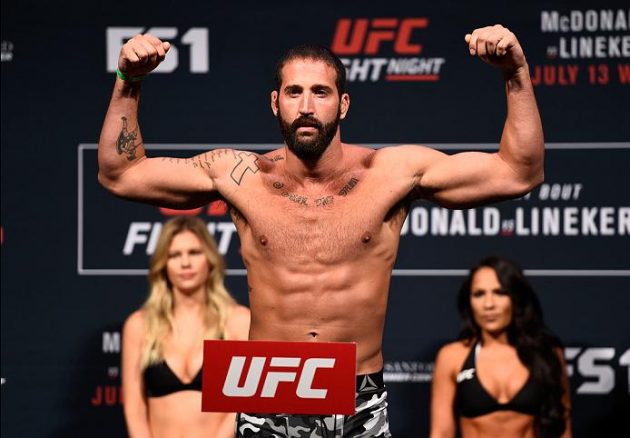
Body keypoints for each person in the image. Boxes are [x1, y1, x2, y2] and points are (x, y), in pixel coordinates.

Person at [100, 24, 544, 437]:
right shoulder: (238, 174)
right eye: (294, 92)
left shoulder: (391, 173)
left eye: (321, 92)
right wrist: (128, 81)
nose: (307, 106)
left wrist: (516, 73)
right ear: (275, 103)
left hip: (358, 395)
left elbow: (517, 172)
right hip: (266, 391)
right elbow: (121, 174)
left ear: (343, 103)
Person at [121, 215, 250, 438]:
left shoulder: (238, 321)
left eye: (194, 252)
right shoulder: (139, 325)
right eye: (174, 255)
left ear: (209, 258)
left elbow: (243, 403)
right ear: (163, 263)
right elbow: (135, 408)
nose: (185, 263)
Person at [429, 256, 572, 438]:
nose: (489, 304)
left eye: (500, 292)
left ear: (516, 298)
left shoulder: (547, 355)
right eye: (479, 294)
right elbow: (441, 433)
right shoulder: (452, 357)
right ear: (469, 301)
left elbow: (564, 431)